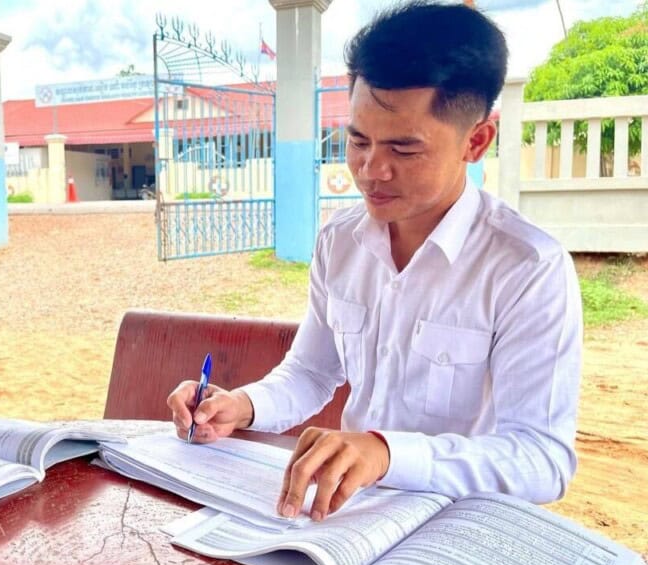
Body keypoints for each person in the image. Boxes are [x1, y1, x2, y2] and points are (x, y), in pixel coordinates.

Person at [167, 1, 582, 522]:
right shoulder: (340, 241)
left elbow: (541, 458)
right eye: (357, 140)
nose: (370, 170)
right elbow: (311, 373)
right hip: (347, 514)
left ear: (475, 141)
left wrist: (386, 453)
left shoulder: (526, 267)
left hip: (459, 523)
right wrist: (240, 406)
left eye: (405, 150)